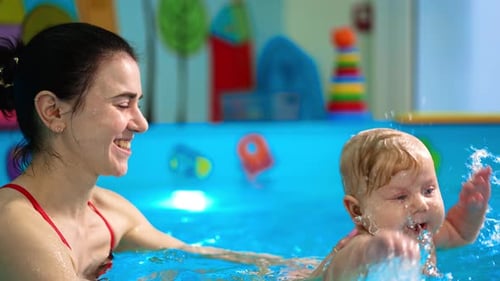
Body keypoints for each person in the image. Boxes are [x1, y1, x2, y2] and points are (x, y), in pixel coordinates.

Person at [0, 22, 284, 281]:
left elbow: (206, 259)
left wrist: (315, 270)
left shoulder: (108, 213)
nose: (142, 124)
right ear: (53, 111)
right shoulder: (14, 225)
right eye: (123, 104)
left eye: (138, 104)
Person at [308, 128, 492, 280]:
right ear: (358, 211)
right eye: (401, 197)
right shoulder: (361, 245)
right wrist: (372, 251)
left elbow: (459, 234)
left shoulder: (423, 236)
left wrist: (471, 210)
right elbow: (340, 268)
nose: (422, 204)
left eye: (428, 191)